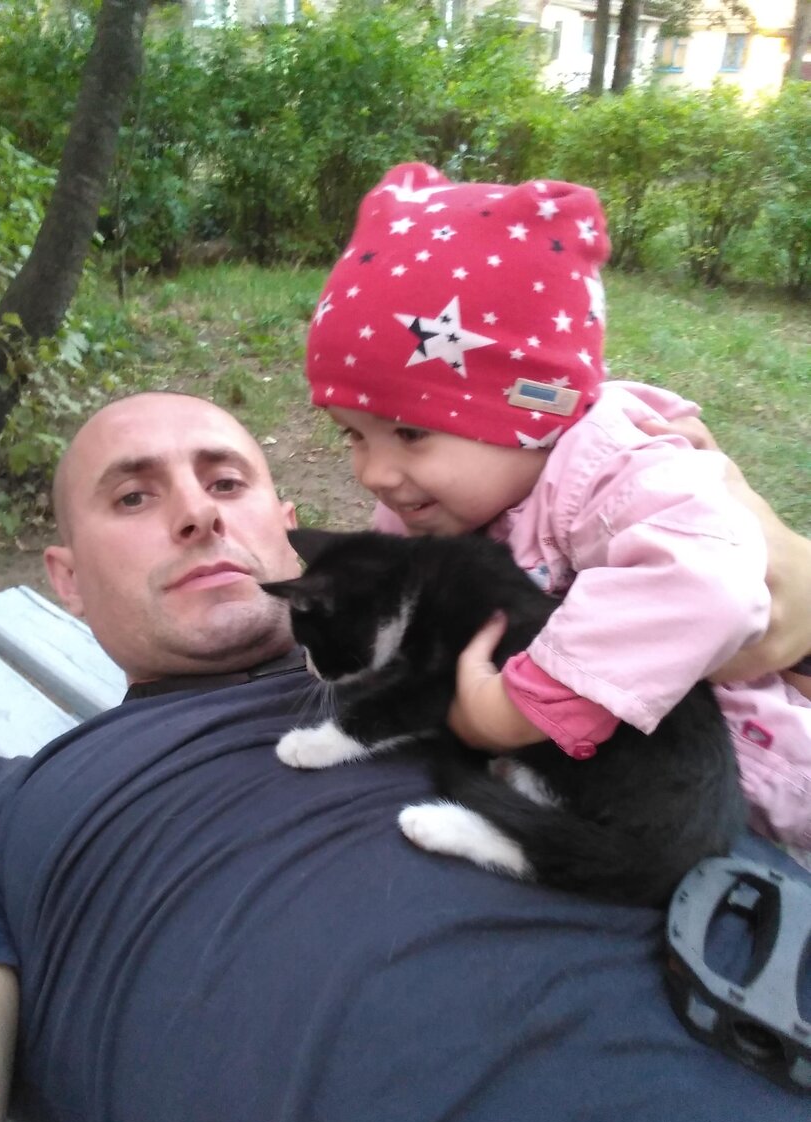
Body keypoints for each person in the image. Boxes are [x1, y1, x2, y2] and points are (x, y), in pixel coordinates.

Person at [0, 392, 809, 1122]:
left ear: (288, 528)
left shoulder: (537, 623)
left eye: (227, 482)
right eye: (134, 497)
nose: (197, 513)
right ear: (66, 577)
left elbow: (718, 605)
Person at [306, 161, 811, 856]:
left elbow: (709, 586)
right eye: (352, 436)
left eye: (411, 433)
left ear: (532, 413)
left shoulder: (616, 474)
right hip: (610, 800)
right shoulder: (431, 505)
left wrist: (522, 706)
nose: (374, 473)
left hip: (768, 781)